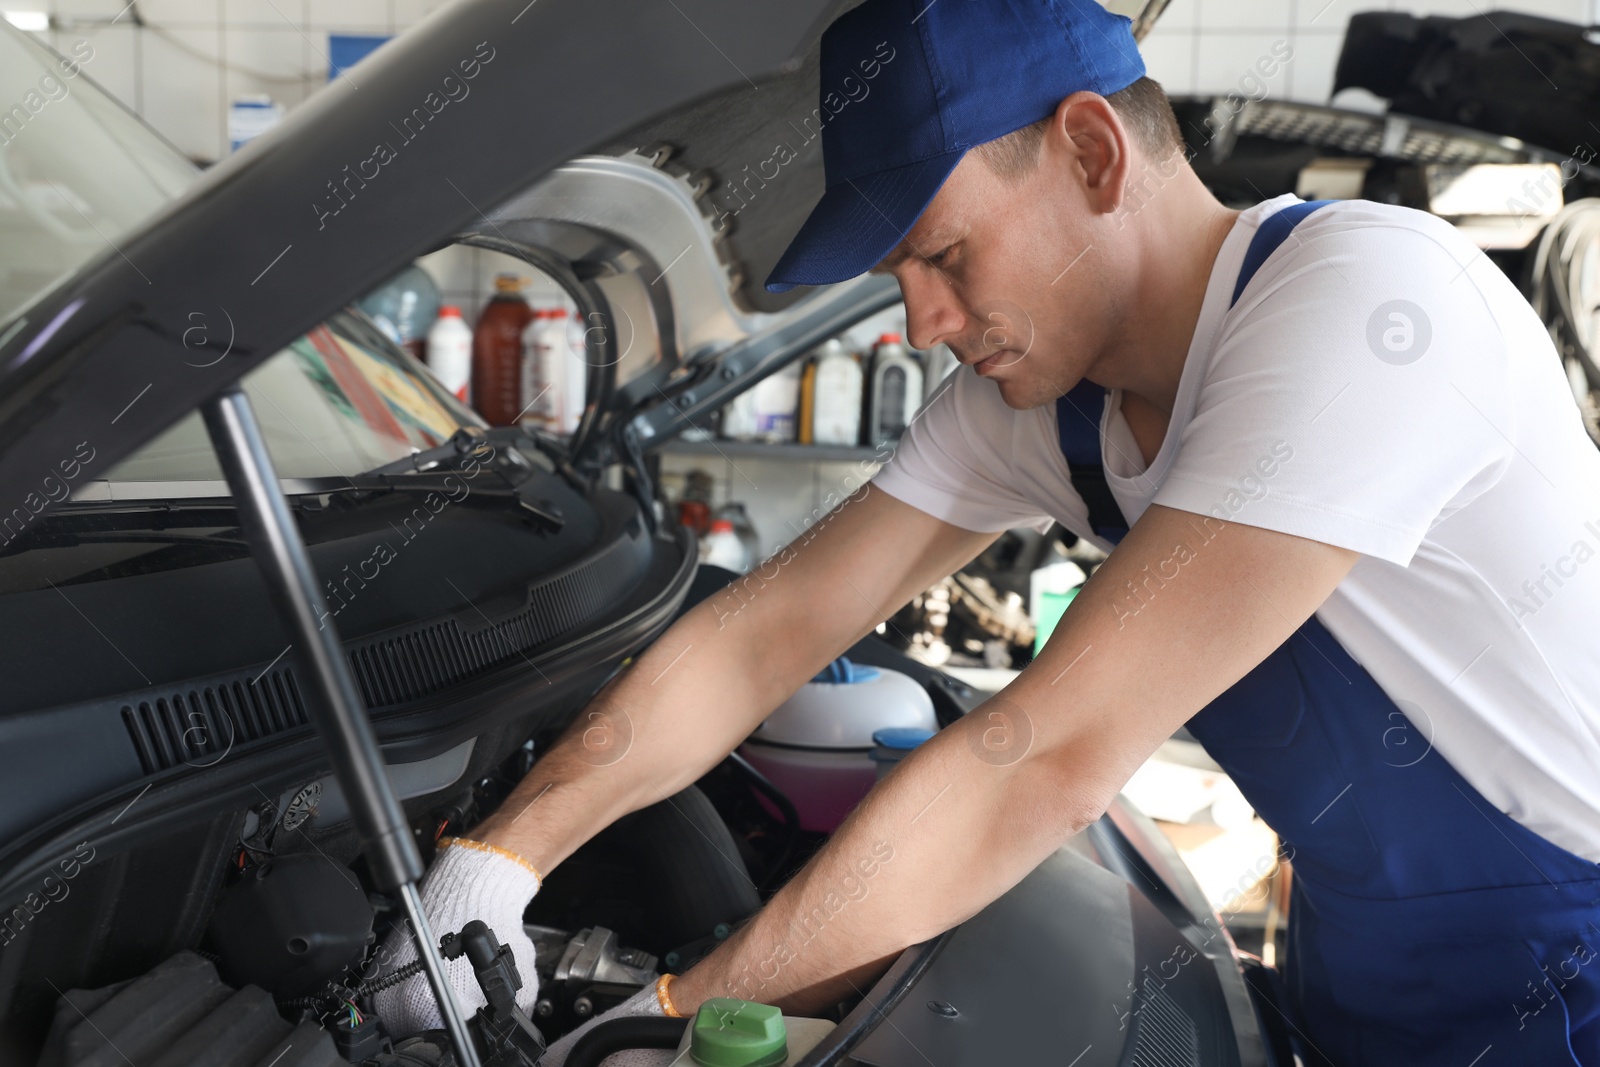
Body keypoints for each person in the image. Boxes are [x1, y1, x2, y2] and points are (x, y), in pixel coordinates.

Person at [376, 1, 1600, 1063]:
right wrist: (494, 862)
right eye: (901, 272)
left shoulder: (1368, 308)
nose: (918, 320)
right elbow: (762, 633)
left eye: (945, 253)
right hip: (1359, 975)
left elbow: (1043, 762)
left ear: (1089, 151)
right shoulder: (1045, 411)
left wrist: (676, 1016)